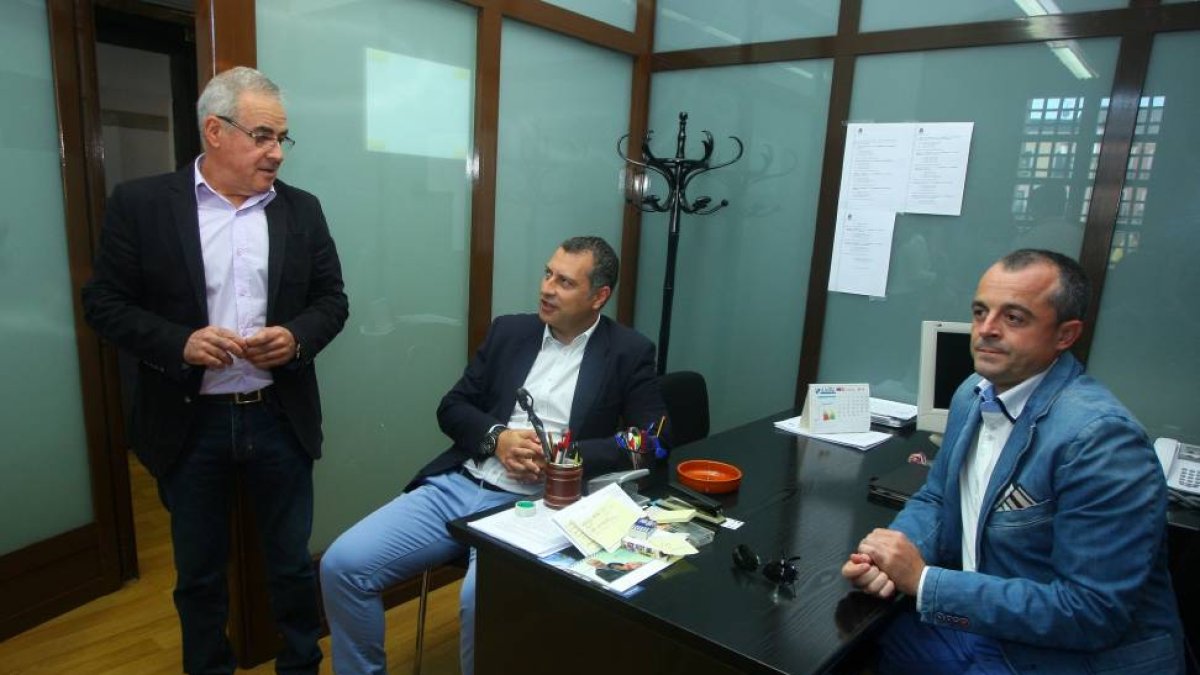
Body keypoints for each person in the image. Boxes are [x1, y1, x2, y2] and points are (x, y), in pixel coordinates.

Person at [82, 66, 348, 674]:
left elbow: (332, 301)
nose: (276, 152)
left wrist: (296, 338)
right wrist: (179, 343)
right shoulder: (142, 205)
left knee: (290, 567)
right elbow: (104, 304)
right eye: (262, 135)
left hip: (279, 420)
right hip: (189, 423)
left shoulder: (302, 211)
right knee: (200, 576)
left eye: (281, 137)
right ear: (215, 131)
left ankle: (300, 666)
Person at [319, 235, 668, 675]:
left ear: (599, 296)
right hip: (462, 482)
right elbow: (452, 407)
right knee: (343, 565)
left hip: (540, 504)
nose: (546, 288)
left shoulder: (627, 352)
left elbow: (653, 439)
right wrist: (497, 438)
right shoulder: (510, 332)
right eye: (547, 274)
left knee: (481, 599)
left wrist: (564, 453)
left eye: (564, 282)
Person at [841, 249, 1184, 674]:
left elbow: (1091, 612)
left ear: (1065, 335)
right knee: (847, 648)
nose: (986, 330)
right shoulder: (973, 392)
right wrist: (889, 556)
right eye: (980, 312)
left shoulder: (1101, 440)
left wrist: (926, 582)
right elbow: (938, 497)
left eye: (1014, 318)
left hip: (1062, 657)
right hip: (982, 625)